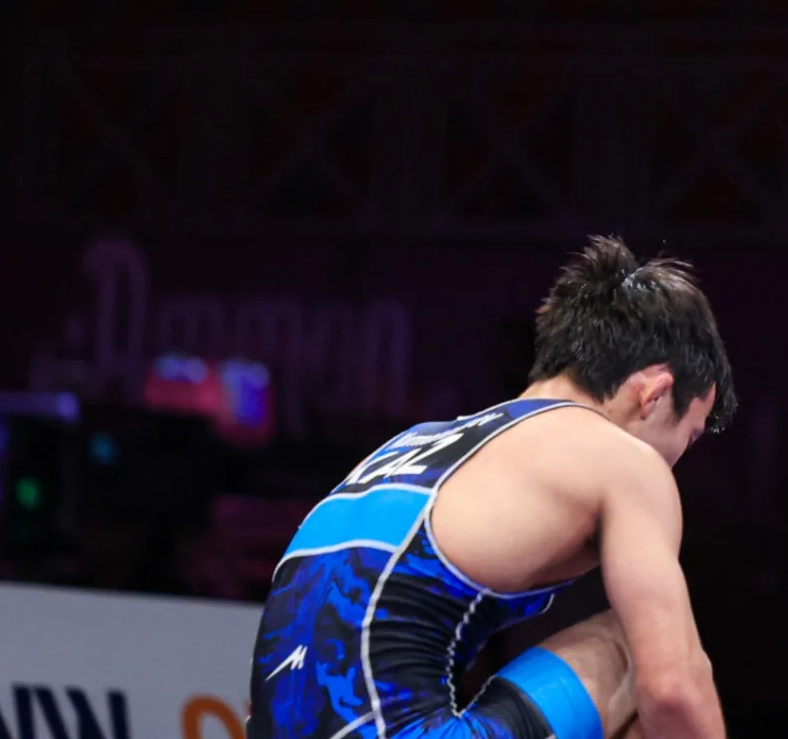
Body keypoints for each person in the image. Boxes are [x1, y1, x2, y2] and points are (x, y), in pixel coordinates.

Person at [246, 236, 738, 739]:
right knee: (639, 648)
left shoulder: (416, 443)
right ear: (654, 393)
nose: (676, 462)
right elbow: (672, 688)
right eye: (690, 436)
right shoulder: (625, 461)